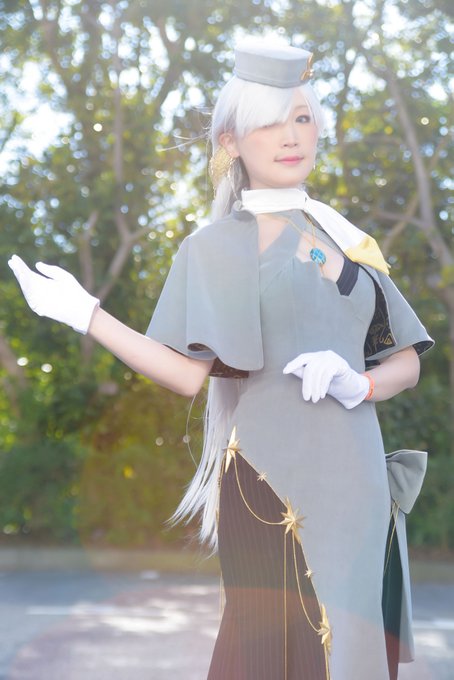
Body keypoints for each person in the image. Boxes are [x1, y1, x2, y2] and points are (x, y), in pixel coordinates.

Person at [8, 39, 433, 680]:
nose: (291, 136)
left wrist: (360, 383)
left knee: (355, 650)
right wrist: (86, 314)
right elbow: (187, 375)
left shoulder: (348, 240)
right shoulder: (213, 248)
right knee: (276, 652)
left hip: (358, 479)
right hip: (268, 479)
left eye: (302, 117)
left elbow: (407, 362)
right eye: (268, 123)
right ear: (230, 142)